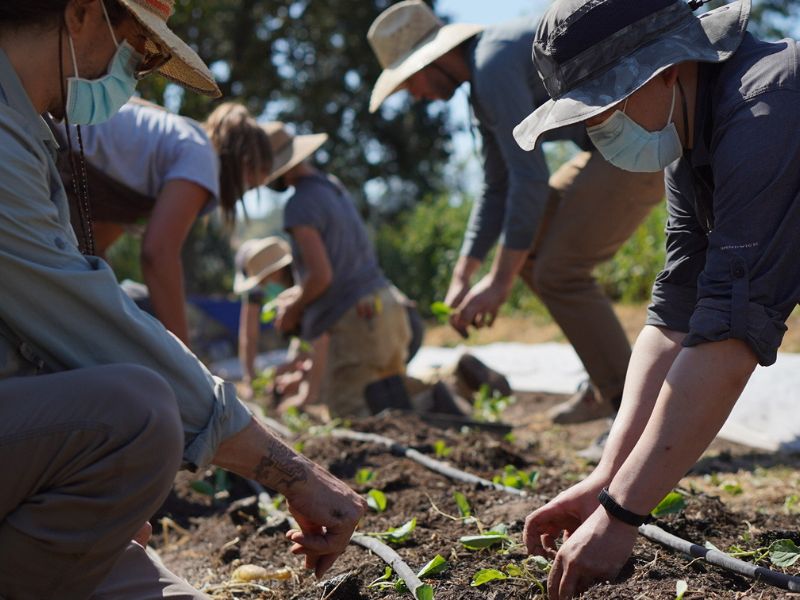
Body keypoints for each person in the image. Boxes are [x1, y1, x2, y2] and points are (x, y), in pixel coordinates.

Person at [0, 1, 365, 598]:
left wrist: (80, 475)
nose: (134, 77)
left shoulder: (31, 129)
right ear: (84, 14)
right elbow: (140, 269)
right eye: (136, 52)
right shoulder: (13, 141)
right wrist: (280, 464)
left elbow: (78, 278)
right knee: (138, 409)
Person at [511, 0, 800, 597]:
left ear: (664, 68)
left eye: (606, 105)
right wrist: (606, 478)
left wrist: (621, 517)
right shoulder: (691, 132)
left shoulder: (766, 108)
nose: (599, 129)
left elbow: (729, 332)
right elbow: (676, 309)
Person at [367, 1, 665, 426]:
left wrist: (498, 282)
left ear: (432, 60)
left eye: (410, 83)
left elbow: (529, 180)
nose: (415, 96)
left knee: (557, 272)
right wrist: (463, 275)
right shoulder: (484, 79)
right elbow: (497, 185)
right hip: (606, 145)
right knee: (532, 253)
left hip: (640, 136)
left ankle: (633, 412)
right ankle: (610, 383)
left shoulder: (492, 68)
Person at [55, 97, 273, 345]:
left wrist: (112, 310)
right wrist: (184, 356)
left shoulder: (162, 152)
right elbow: (158, 255)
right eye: (249, 185)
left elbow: (96, 245)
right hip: (51, 148)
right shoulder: (201, 154)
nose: (241, 194)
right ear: (244, 163)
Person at [256, 121, 414, 418]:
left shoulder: (299, 204)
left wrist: (294, 309)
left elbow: (321, 276)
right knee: (398, 414)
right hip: (386, 304)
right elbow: (341, 264)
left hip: (355, 321)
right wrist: (297, 295)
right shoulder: (331, 186)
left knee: (353, 419)